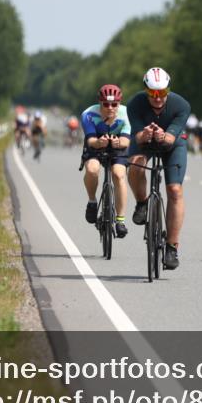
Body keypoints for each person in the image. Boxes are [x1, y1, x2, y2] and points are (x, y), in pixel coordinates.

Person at [127, 67, 191, 270]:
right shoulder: (135, 104)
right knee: (136, 165)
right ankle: (141, 203)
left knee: (174, 190)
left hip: (172, 143)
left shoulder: (181, 105)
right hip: (145, 142)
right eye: (153, 93)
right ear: (146, 90)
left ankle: (172, 247)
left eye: (162, 92)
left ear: (168, 90)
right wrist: (143, 135)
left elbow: (171, 138)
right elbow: (136, 136)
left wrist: (163, 135)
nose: (157, 97)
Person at [80, 85, 131, 238]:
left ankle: (120, 220)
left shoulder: (127, 114)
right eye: (106, 104)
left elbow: (126, 141)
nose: (110, 108)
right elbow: (90, 140)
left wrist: (117, 143)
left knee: (118, 174)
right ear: (100, 103)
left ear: (119, 104)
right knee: (92, 168)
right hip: (96, 143)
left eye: (114, 104)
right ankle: (92, 201)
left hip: (118, 145)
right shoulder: (88, 114)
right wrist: (99, 143)